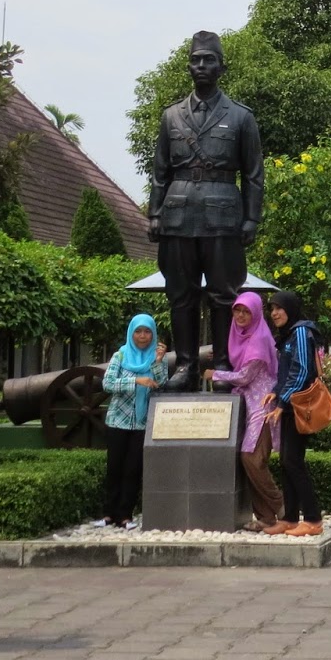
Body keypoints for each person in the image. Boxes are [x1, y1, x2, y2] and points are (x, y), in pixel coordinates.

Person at [146, 30, 264, 391]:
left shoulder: (242, 118)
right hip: (178, 215)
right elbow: (160, 171)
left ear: (221, 67)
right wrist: (154, 214)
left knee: (223, 295)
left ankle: (225, 363)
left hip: (223, 214)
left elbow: (254, 174)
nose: (201, 65)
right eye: (196, 59)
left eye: (208, 59)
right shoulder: (171, 117)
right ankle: (186, 366)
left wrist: (251, 218)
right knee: (180, 295)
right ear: (188, 66)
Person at [208, 292, 284, 533]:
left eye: (246, 311)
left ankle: (282, 507)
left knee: (252, 459)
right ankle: (266, 518)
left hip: (263, 407)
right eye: (237, 310)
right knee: (251, 461)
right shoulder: (238, 335)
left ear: (256, 314)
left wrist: (215, 374)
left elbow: (245, 376)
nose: (240, 316)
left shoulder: (259, 339)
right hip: (248, 404)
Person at [100, 313, 167, 528]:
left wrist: (156, 362)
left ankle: (125, 515)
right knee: (114, 468)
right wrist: (136, 381)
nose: (143, 336)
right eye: (138, 331)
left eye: (147, 331)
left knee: (133, 469)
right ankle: (108, 514)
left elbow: (162, 383)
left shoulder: (158, 358)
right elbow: (108, 383)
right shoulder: (120, 355)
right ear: (131, 333)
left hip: (142, 422)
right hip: (118, 420)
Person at [266, 290, 323, 537]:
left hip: (298, 407)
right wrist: (275, 391)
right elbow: (287, 371)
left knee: (293, 462)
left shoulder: (300, 331)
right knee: (286, 461)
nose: (275, 313)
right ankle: (290, 518)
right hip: (291, 405)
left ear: (291, 309)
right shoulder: (289, 334)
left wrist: (282, 401)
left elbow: (301, 371)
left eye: (280, 308)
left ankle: (313, 519)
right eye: (272, 309)